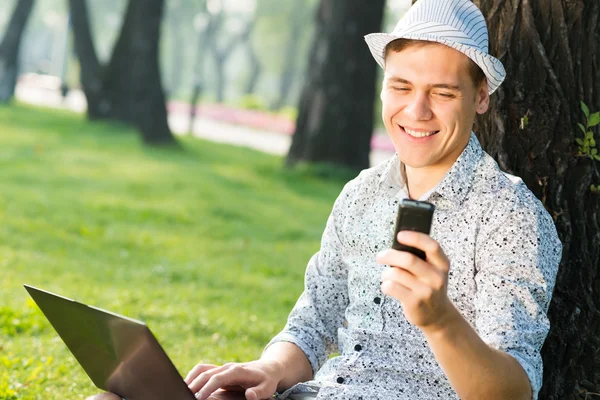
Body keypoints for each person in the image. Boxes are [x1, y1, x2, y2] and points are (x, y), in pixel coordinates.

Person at [89, 0, 561, 399]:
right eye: (401, 87)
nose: (416, 112)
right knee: (120, 393)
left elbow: (514, 391)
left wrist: (439, 321)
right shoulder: (361, 195)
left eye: (441, 92)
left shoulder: (510, 216)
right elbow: (315, 319)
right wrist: (270, 369)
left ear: (479, 97)